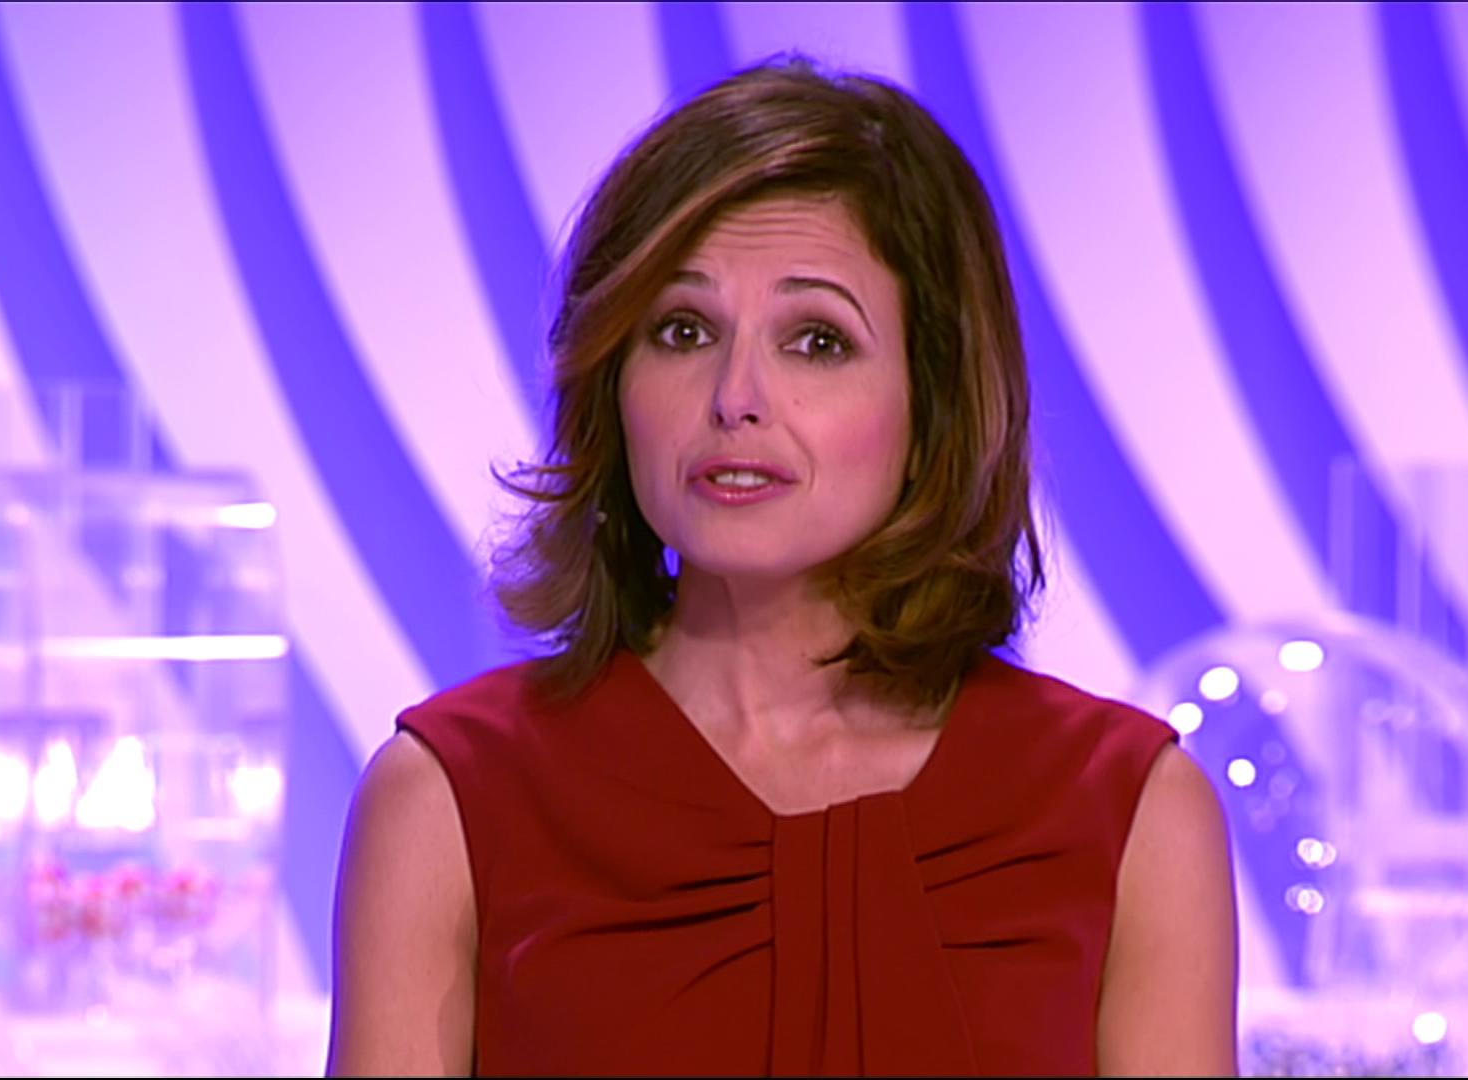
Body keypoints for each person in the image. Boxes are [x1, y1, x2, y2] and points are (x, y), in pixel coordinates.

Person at [325, 56, 1237, 1077]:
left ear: (931, 405)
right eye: (682, 331)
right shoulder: (448, 798)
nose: (735, 398)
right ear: (612, 383)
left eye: (817, 341)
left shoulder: (1130, 811)